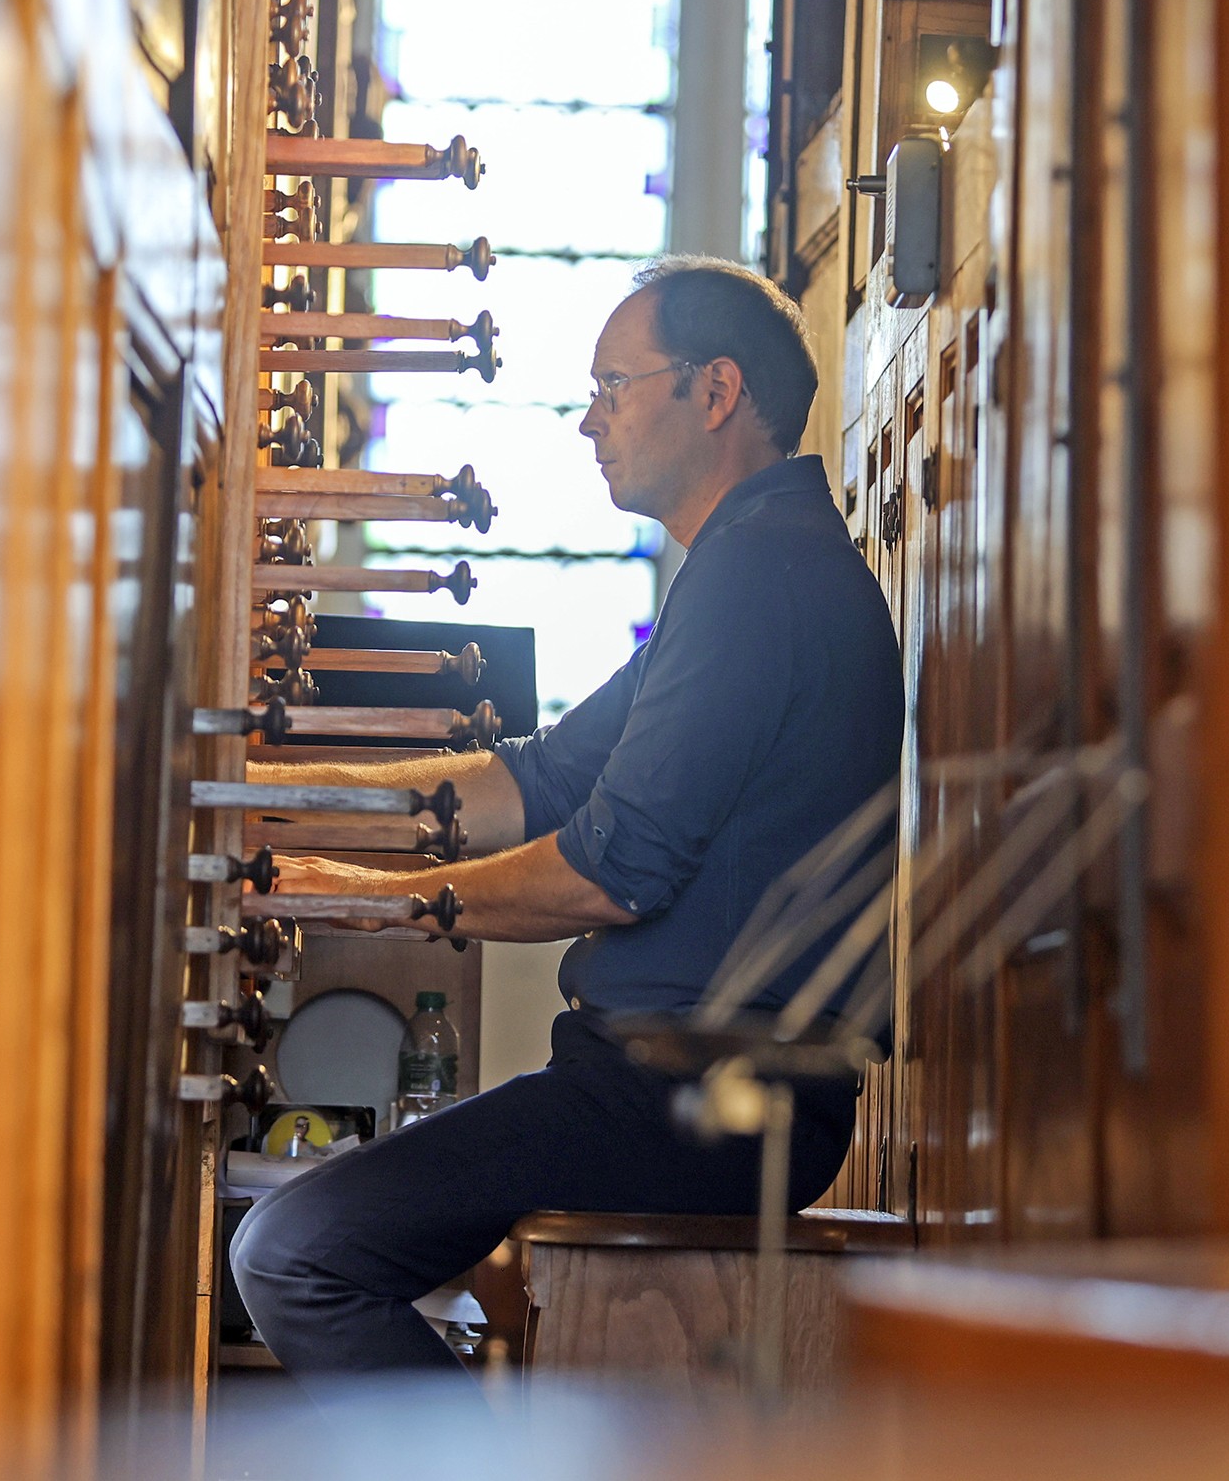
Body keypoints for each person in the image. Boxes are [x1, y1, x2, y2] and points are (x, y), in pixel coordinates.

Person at [229, 256, 905, 1387]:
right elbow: (535, 783)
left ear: (716, 390)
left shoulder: (765, 575)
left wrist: (370, 903)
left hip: (699, 1095)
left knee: (297, 1253)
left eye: (612, 384)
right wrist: (280, 792)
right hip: (663, 1084)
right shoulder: (744, 565)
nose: (589, 420)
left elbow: (611, 870)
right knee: (315, 1246)